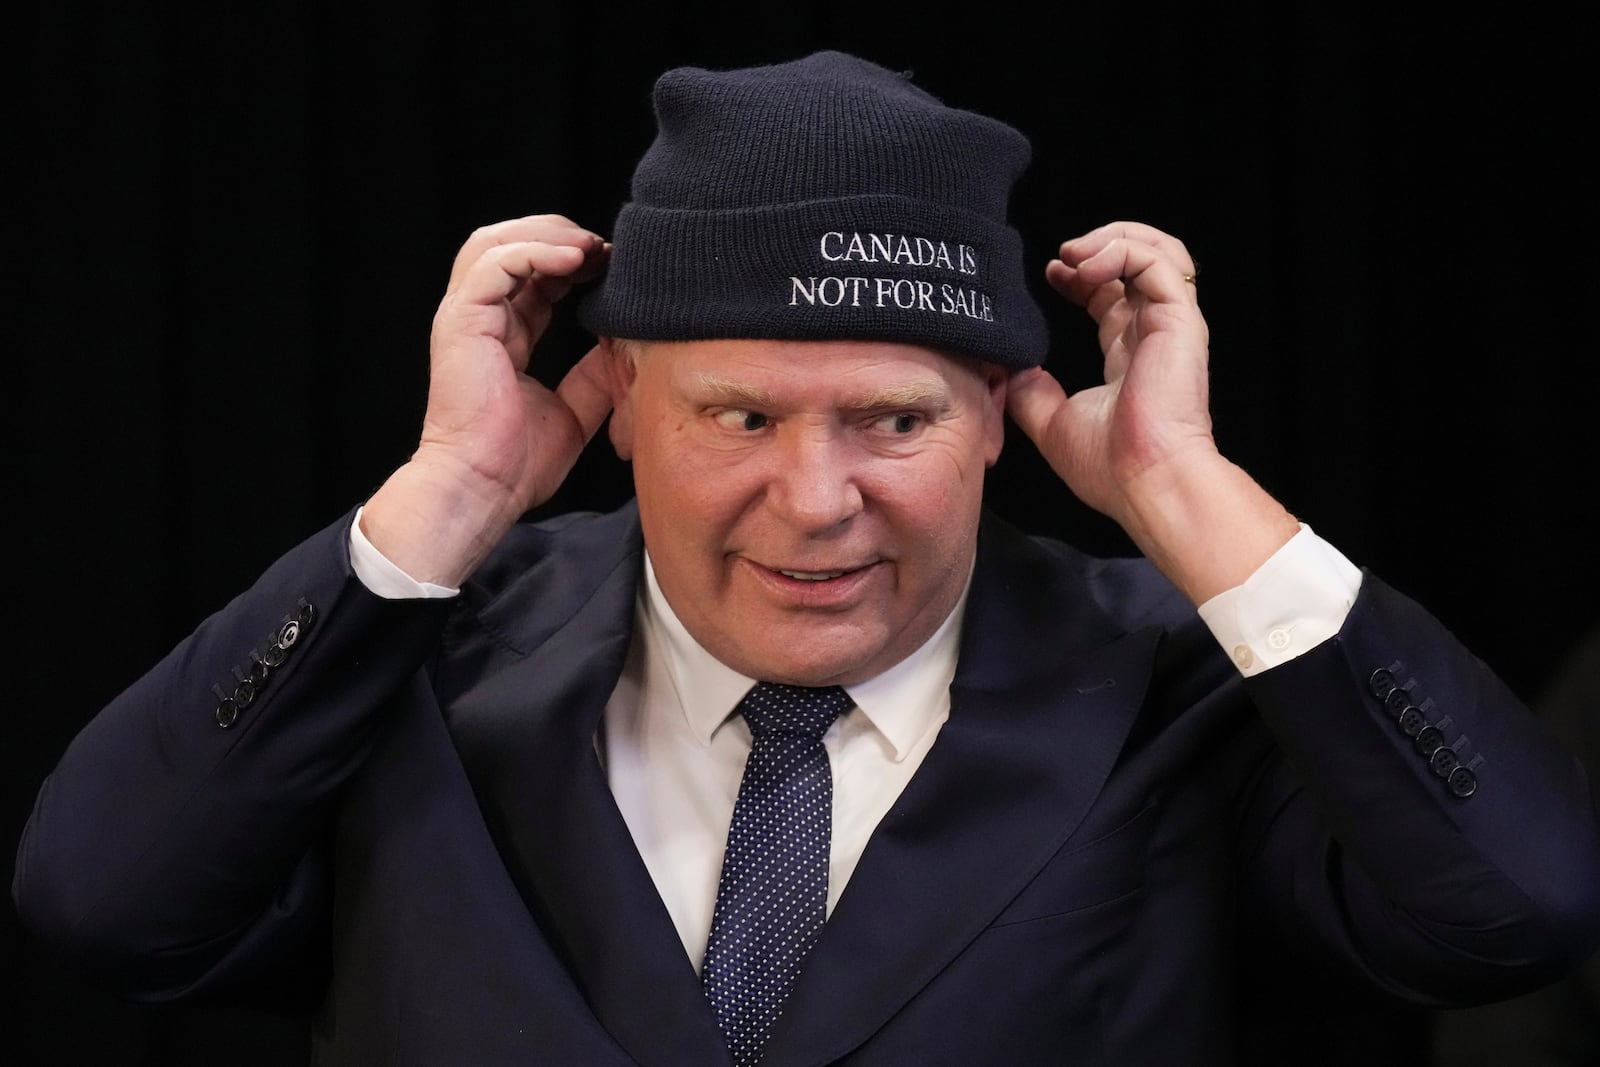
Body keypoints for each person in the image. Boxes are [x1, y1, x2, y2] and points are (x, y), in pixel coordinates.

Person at [12, 49, 1600, 1066]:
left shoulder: (1173, 695)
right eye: (741, 412)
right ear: (621, 399)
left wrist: (1187, 492)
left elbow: (1519, 909)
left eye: (893, 418)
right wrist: (451, 491)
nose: (817, 496)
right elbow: (105, 904)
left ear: (1000, 417)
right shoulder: (424, 656)